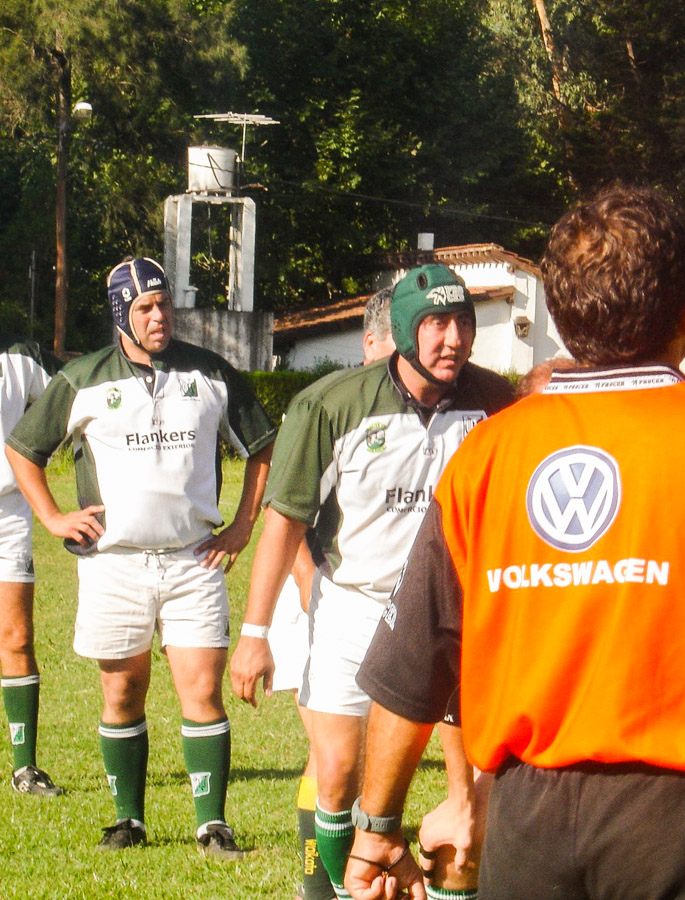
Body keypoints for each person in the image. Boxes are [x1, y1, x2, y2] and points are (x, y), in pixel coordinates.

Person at [345, 185, 685, 900]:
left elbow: (410, 667)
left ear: (562, 318)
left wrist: (378, 825)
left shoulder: (485, 456)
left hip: (528, 830)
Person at [230, 264, 514, 900]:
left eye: (463, 323)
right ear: (406, 330)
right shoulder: (333, 403)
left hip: (455, 614)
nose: (453, 339)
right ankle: (329, 890)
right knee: (336, 770)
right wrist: (254, 633)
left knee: (465, 790)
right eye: (437, 324)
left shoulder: (495, 403)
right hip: (352, 606)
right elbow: (283, 522)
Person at [5, 257, 275, 855]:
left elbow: (263, 446)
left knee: (201, 690)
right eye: (145, 308)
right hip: (114, 564)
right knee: (121, 693)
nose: (159, 317)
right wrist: (52, 516)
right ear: (119, 313)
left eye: (164, 306)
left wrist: (242, 526)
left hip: (192, 561)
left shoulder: (211, 373)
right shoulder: (82, 379)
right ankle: (130, 819)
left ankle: (213, 825)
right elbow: (24, 448)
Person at [268, 288, 397, 900]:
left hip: (392, 609)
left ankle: (349, 874)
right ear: (372, 342)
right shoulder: (332, 405)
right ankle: (315, 883)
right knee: (330, 759)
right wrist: (304, 582)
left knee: (360, 761)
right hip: (319, 599)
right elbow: (289, 511)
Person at [0, 337, 60, 797]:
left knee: (16, 636)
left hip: (8, 513)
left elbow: (72, 398)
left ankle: (25, 768)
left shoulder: (18, 360)